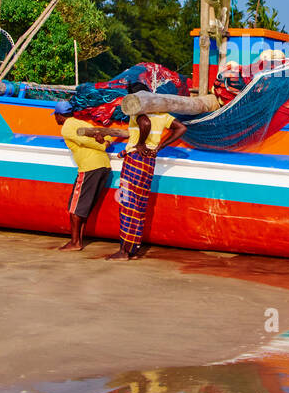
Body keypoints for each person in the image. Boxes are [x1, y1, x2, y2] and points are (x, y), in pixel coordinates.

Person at [107, 83, 188, 261]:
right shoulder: (161, 114)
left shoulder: (137, 110)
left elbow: (145, 122)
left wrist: (141, 143)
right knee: (140, 204)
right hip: (149, 161)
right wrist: (159, 146)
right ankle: (133, 249)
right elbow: (181, 128)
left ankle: (124, 251)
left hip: (135, 160)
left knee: (127, 203)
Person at [53, 101, 125, 251]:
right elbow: (105, 135)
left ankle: (75, 242)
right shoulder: (80, 122)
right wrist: (105, 141)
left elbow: (84, 141)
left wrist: (102, 144)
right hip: (103, 166)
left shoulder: (66, 128)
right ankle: (78, 239)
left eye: (56, 116)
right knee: (83, 208)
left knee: (75, 207)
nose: (55, 119)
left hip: (89, 167)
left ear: (60, 116)